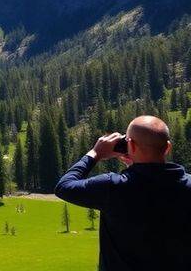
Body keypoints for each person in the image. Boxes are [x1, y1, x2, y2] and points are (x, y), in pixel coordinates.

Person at [55, 115, 191, 270]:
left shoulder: (113, 187)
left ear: (130, 145)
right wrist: (137, 166)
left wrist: (94, 153)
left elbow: (64, 186)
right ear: (167, 147)